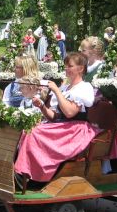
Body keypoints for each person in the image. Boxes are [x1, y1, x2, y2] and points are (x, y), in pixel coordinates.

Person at [13, 52, 99, 185]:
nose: (66, 69)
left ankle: (33, 176)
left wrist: (56, 91)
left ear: (81, 68)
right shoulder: (65, 88)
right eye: (65, 66)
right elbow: (54, 116)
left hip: (75, 129)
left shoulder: (84, 88)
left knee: (34, 132)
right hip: (61, 126)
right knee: (28, 129)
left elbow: (69, 113)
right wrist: (42, 106)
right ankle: (24, 170)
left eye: (70, 66)